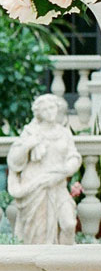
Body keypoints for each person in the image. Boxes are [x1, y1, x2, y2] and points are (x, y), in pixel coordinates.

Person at [7, 93, 80, 244]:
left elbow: (74, 156)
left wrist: (66, 170)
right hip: (36, 187)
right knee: (39, 234)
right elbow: (13, 161)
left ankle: (65, 262)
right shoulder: (31, 132)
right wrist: (28, 145)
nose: (50, 111)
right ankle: (42, 264)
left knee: (68, 224)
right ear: (39, 113)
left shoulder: (64, 133)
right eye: (45, 109)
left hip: (58, 185)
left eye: (52, 107)